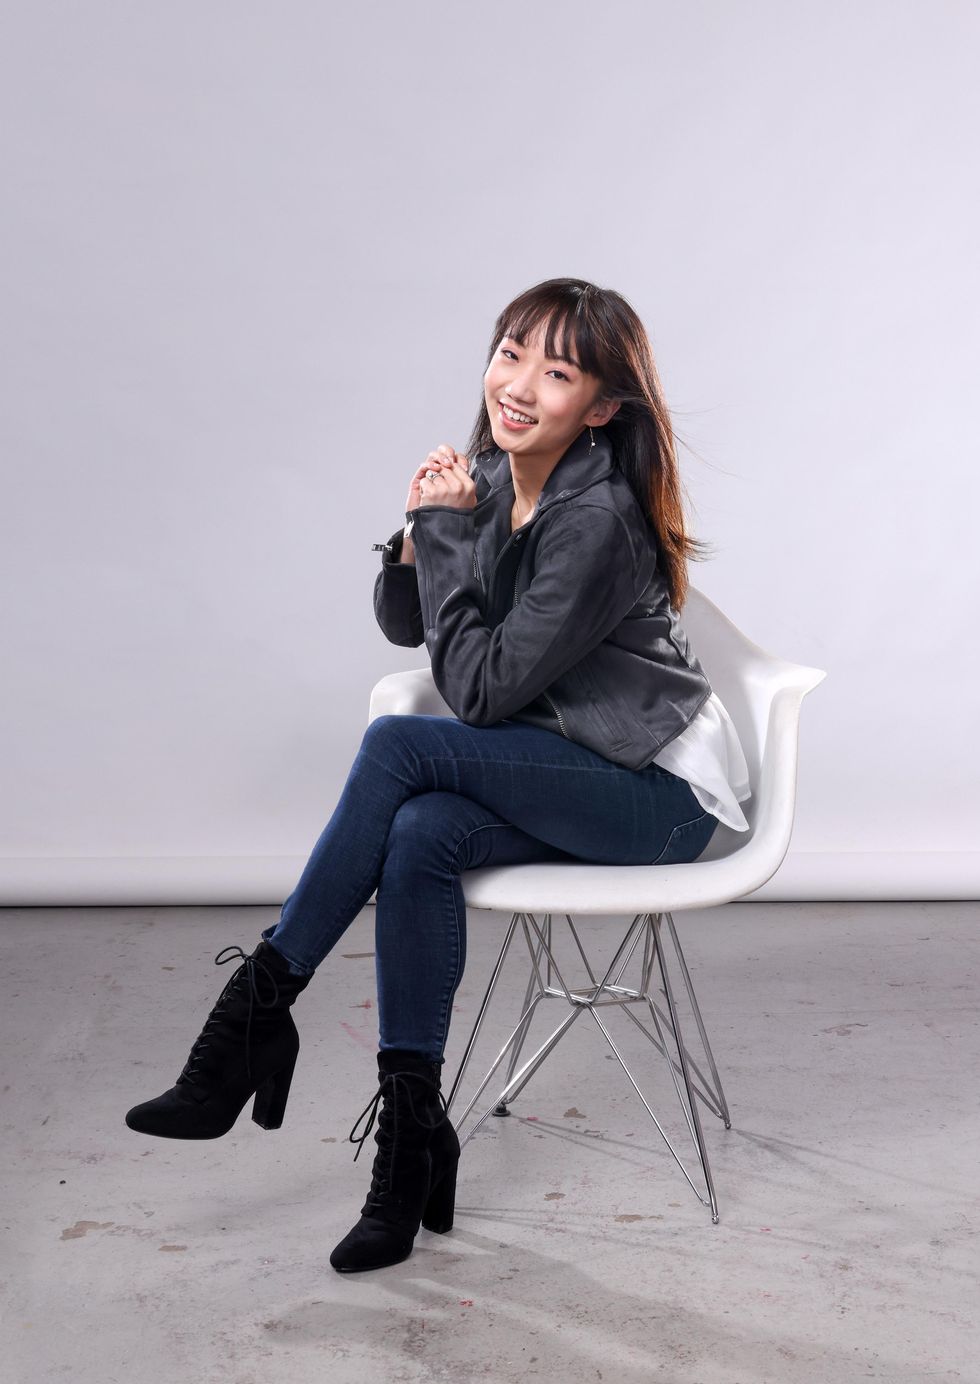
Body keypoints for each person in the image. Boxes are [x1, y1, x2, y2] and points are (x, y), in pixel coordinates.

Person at [123, 276, 752, 1274]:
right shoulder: (495, 478)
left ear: (600, 406)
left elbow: (480, 693)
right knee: (418, 833)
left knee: (397, 748)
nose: (517, 384)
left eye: (555, 370)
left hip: (656, 799)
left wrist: (450, 536)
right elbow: (409, 623)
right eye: (509, 352)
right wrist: (421, 529)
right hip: (568, 767)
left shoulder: (596, 520)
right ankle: (411, 1147)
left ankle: (252, 1018)